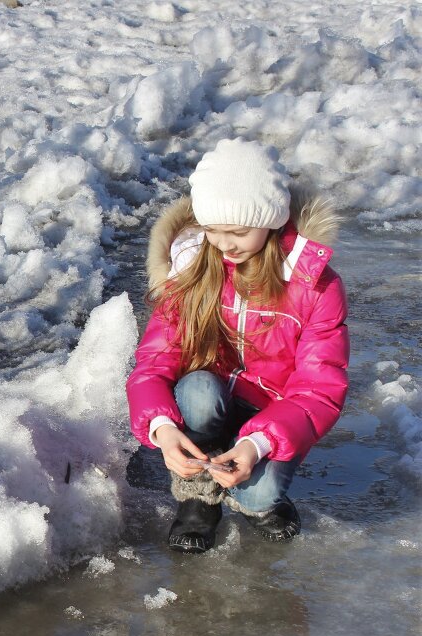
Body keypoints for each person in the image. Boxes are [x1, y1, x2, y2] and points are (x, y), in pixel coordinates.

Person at [127, 139, 349, 553]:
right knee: (196, 389)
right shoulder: (192, 270)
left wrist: (257, 443)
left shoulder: (315, 286)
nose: (224, 244)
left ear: (270, 221)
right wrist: (162, 428)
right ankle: (198, 496)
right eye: (212, 230)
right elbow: (154, 362)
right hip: (207, 403)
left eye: (238, 231)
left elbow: (319, 388)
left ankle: (256, 488)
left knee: (258, 497)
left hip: (273, 414)